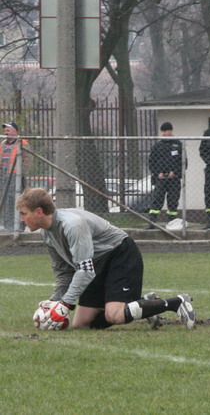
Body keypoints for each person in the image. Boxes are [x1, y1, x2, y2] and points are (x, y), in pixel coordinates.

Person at [16, 187, 196, 330]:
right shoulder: (47, 234)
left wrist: (66, 304)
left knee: (114, 316)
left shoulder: (72, 225)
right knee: (82, 325)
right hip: (95, 265)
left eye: (23, 213)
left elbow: (85, 271)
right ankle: (142, 305)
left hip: (119, 255)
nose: (22, 219)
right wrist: (56, 301)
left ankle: (176, 302)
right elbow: (64, 272)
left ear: (39, 211)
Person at [146, 122, 185, 229]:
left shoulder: (178, 145)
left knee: (173, 201)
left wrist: (175, 172)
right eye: (162, 131)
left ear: (171, 131)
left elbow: (183, 162)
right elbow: (151, 162)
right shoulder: (157, 146)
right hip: (160, 179)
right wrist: (158, 173)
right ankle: (152, 222)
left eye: (165, 131)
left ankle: (171, 223)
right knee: (157, 200)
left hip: (174, 179)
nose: (163, 133)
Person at [1, 121, 30, 231]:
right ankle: (8, 226)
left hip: (16, 177)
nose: (5, 132)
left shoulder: (22, 142)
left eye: (8, 130)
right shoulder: (3, 143)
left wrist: (21, 173)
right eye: (5, 130)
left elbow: (28, 159)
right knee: (6, 202)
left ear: (14, 131)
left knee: (17, 202)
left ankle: (19, 227)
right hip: (4, 177)